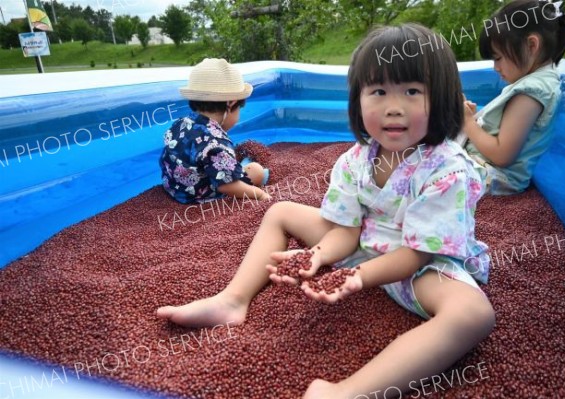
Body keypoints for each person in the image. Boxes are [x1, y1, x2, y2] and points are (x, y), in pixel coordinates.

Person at [157, 24, 495, 399]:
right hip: (364, 242)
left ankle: (347, 392)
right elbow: (345, 231)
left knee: (473, 315)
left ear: (444, 99)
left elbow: (417, 254)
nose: (394, 106)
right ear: (358, 99)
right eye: (378, 91)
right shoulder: (355, 160)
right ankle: (232, 300)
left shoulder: (447, 169)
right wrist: (320, 255)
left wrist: (359, 276)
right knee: (281, 210)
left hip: (419, 262)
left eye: (413, 91)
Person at [462, 0, 565, 195]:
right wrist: (476, 116)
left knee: (431, 168)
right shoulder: (536, 82)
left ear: (531, 45)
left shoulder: (531, 92)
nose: (495, 68)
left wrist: (468, 123)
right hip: (482, 165)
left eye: (498, 58)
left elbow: (502, 154)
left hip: (492, 174)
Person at [159, 58, 271, 204]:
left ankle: (230, 166)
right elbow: (227, 186)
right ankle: (244, 170)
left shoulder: (179, 124)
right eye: (240, 109)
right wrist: (259, 194)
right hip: (200, 194)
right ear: (231, 103)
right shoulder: (216, 142)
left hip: (174, 187)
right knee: (256, 170)